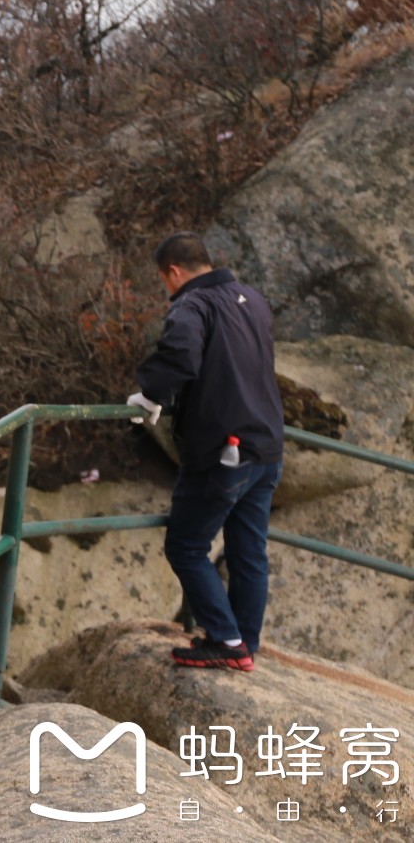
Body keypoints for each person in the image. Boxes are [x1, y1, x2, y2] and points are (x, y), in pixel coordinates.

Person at [125, 232, 285, 672]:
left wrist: (152, 394)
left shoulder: (191, 306)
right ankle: (245, 642)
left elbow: (181, 353)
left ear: (172, 272)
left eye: (164, 280)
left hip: (224, 450)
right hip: (267, 445)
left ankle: (227, 640)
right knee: (248, 550)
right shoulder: (251, 299)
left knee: (187, 546)